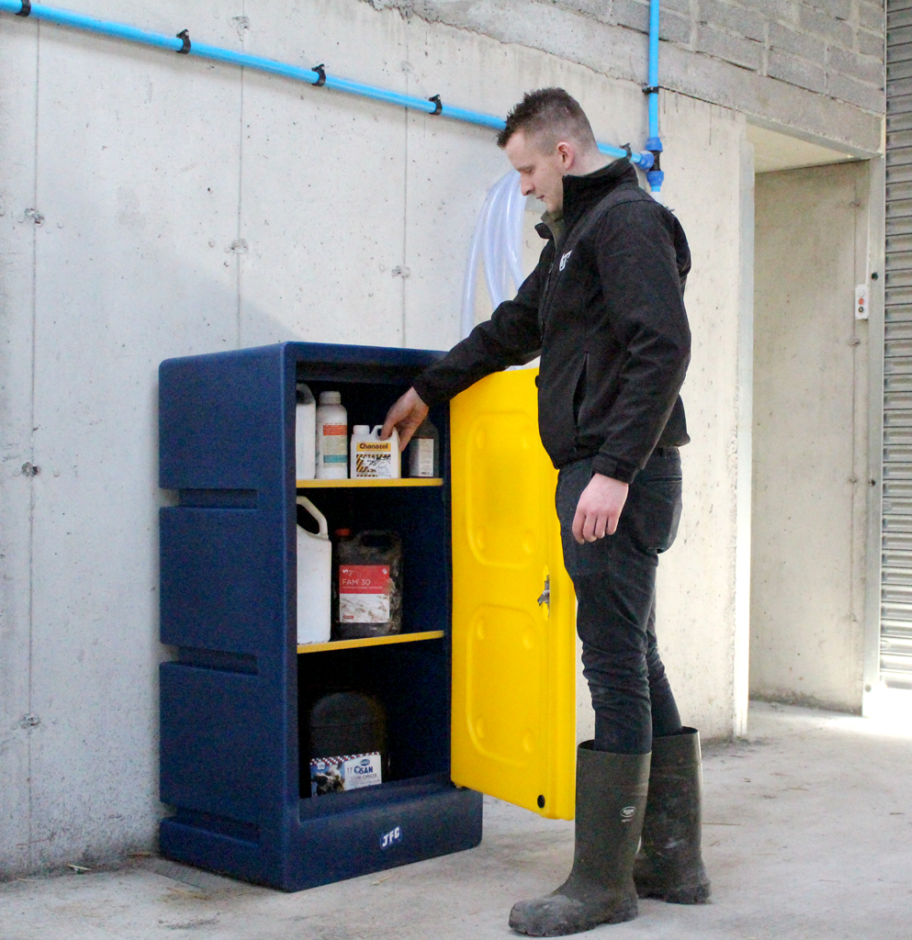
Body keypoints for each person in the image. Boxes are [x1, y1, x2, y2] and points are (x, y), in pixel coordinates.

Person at [381, 88, 709, 936]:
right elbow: (513, 327)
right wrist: (429, 386)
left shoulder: (627, 222)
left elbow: (663, 346)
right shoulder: (578, 238)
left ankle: (604, 884)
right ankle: (671, 859)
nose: (522, 187)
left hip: (617, 479)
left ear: (564, 154)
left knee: (612, 662)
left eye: (527, 169)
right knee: (634, 652)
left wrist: (612, 470)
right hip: (611, 471)